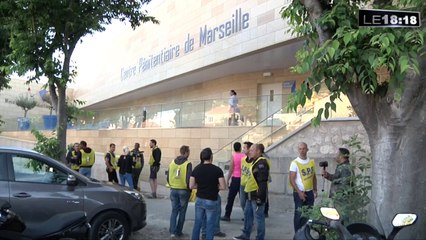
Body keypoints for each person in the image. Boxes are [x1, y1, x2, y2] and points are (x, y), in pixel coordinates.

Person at [233, 144, 270, 240]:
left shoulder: (262, 163)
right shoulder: (254, 161)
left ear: (258, 151)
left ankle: (260, 237)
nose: (250, 151)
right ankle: (245, 235)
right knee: (247, 215)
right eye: (250, 150)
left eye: (253, 150)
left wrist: (260, 198)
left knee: (259, 218)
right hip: (249, 195)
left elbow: (262, 182)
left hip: (256, 196)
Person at [190, 148, 226, 240]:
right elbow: (223, 186)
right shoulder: (217, 170)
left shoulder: (196, 169)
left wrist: (201, 186)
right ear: (211, 157)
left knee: (197, 223)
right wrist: (213, 186)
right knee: (210, 225)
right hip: (211, 200)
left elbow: (191, 185)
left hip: (199, 199)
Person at [289, 142, 318, 233]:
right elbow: (292, 180)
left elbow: (313, 177)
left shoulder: (311, 162)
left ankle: (304, 233)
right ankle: (297, 234)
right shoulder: (294, 163)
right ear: (298, 150)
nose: (302, 151)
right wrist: (299, 192)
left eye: (304, 148)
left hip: (309, 192)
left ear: (307, 149)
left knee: (308, 214)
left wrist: (315, 190)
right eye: (300, 149)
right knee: (299, 214)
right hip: (299, 192)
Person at [167, 145, 192, 238]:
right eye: (188, 152)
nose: (189, 154)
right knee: (182, 212)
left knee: (174, 211)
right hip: (184, 190)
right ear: (185, 153)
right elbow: (189, 178)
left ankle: (172, 231)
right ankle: (178, 231)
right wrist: (190, 189)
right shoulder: (188, 164)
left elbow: (168, 176)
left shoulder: (172, 162)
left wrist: (171, 185)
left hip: (173, 189)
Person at [221, 142, 245, 221]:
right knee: (243, 198)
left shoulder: (234, 156)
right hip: (243, 179)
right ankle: (247, 216)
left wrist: (227, 180)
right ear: (240, 148)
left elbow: (231, 169)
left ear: (234, 148)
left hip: (235, 178)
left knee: (231, 197)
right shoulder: (244, 156)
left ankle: (227, 215)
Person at [239, 141, 253, 213]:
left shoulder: (255, 161)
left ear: (249, 149)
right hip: (242, 184)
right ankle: (246, 215)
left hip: (251, 185)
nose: (243, 149)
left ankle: (250, 217)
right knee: (242, 202)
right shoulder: (243, 160)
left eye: (244, 148)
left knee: (250, 203)